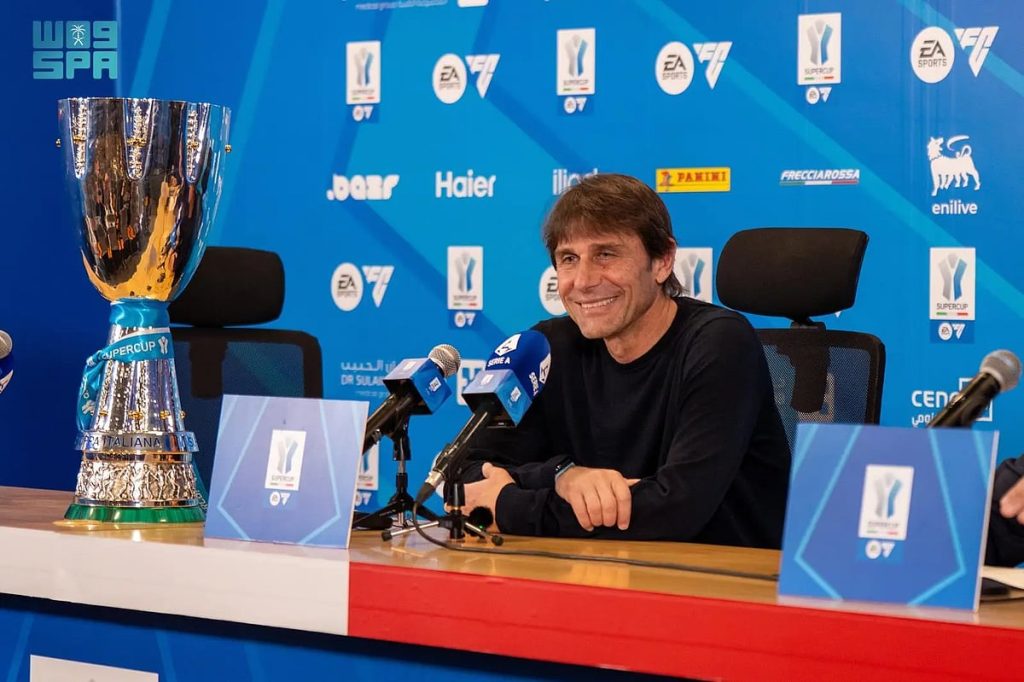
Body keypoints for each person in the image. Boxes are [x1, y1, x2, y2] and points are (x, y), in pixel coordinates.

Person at [461, 173, 792, 548]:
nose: (583, 281)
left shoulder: (719, 342)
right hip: (599, 569)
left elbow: (676, 509)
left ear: (662, 261)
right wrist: (562, 475)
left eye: (606, 254)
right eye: (569, 259)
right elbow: (464, 476)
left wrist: (509, 507)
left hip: (724, 572)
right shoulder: (547, 348)